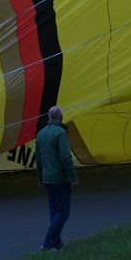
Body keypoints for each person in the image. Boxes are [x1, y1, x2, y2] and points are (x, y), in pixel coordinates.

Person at [36, 105, 79, 251]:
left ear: (49, 118)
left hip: (47, 179)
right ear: (61, 117)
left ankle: (56, 242)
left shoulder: (41, 134)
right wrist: (73, 176)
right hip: (60, 179)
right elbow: (66, 157)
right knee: (63, 212)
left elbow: (38, 158)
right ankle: (48, 242)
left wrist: (40, 177)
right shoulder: (61, 133)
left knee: (54, 211)